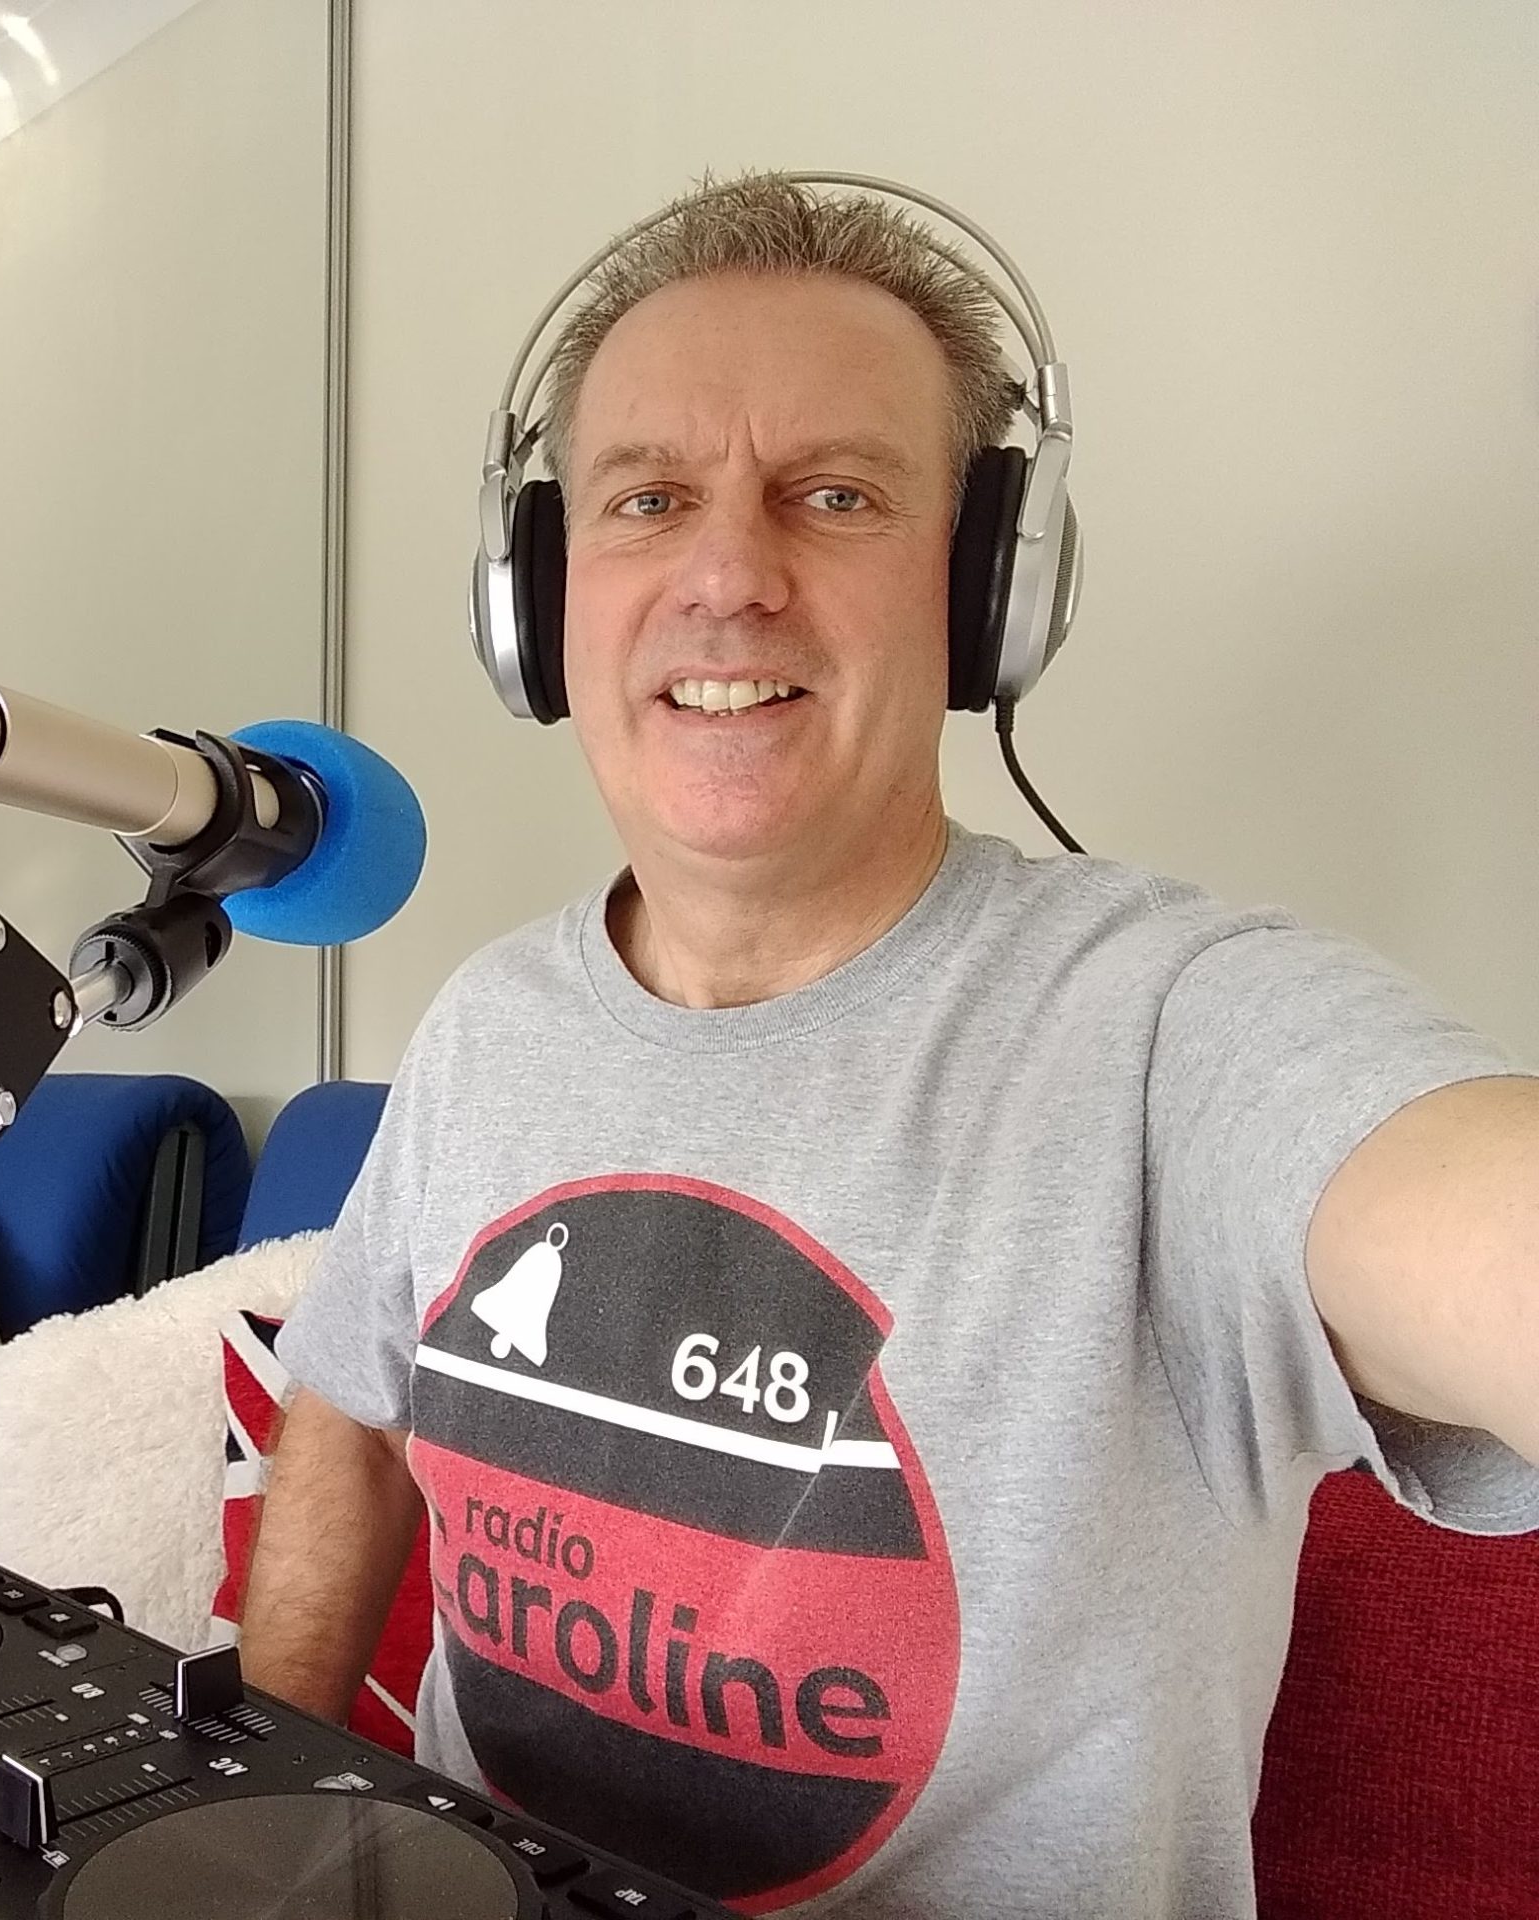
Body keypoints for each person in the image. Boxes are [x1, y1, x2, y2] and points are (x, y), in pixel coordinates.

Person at [239, 174, 1539, 1917]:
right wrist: (256, 1796)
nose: (726, 577)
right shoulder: (486, 1024)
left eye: (835, 495)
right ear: (538, 599)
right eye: (648, 499)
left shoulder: (1173, 1034)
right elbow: (351, 1396)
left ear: (988, 591)